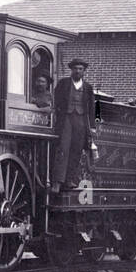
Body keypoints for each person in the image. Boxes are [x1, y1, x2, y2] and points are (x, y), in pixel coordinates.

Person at [50, 59, 96, 193]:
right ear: (71, 70)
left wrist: (92, 126)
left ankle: (69, 180)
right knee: (63, 149)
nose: (78, 71)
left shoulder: (88, 88)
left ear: (84, 71)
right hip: (66, 119)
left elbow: (92, 107)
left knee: (76, 150)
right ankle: (57, 182)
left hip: (81, 120)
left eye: (80, 69)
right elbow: (56, 101)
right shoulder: (63, 84)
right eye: (75, 68)